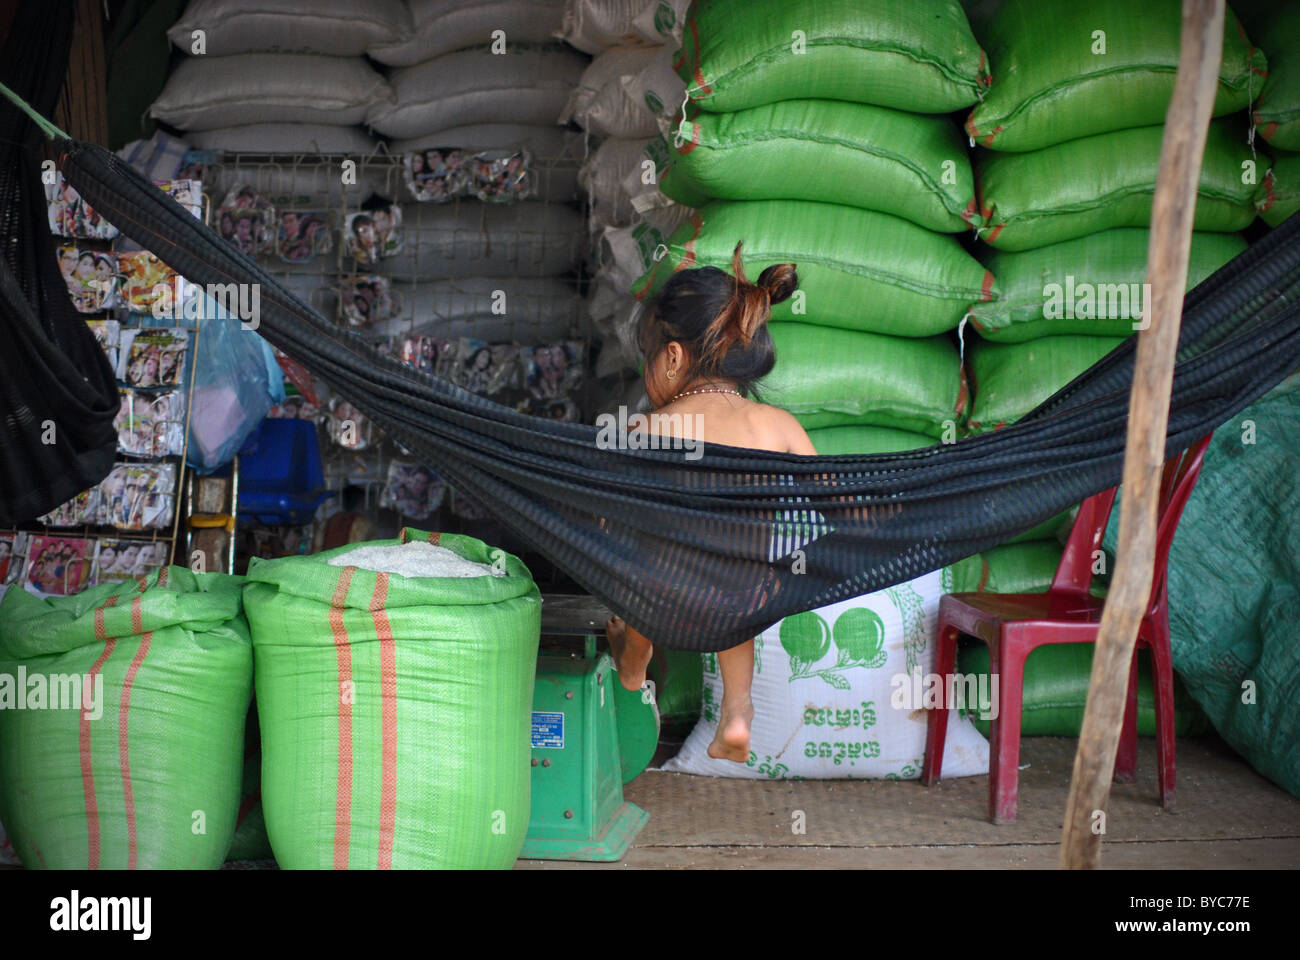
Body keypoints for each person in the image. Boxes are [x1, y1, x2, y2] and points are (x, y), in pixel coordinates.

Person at [604, 241, 814, 763]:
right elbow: (831, 502)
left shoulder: (644, 428)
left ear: (673, 356)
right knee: (737, 571)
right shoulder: (777, 425)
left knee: (638, 564)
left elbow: (610, 513)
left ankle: (634, 663)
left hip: (662, 594)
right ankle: (737, 713)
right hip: (747, 598)